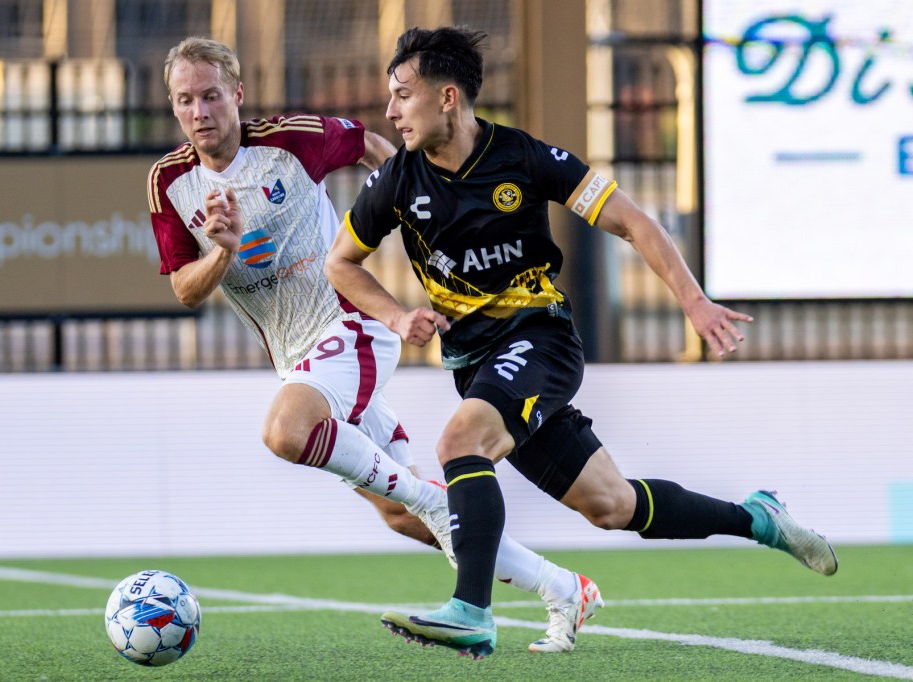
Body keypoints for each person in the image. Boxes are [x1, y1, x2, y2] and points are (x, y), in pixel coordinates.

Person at [325, 26, 839, 659]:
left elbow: (633, 221)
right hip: (477, 365)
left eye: (403, 95)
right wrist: (398, 315)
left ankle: (471, 612)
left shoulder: (525, 157)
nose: (391, 111)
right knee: (611, 505)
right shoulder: (396, 181)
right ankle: (758, 517)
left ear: (448, 96)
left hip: (539, 339)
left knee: (461, 442)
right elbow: (340, 263)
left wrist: (693, 301)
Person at [147, 36, 602, 653]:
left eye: (211, 96)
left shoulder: (292, 139)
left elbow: (374, 150)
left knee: (286, 432)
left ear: (237, 94)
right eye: (185, 101)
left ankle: (432, 503)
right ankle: (564, 588)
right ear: (173, 107)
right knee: (403, 517)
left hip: (351, 325)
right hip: (299, 360)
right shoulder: (169, 182)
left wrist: (418, 217)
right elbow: (184, 289)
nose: (200, 111)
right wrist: (222, 252)